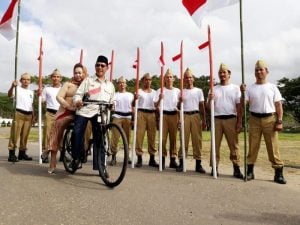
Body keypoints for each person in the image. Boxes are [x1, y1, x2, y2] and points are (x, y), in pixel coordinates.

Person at [241, 60, 286, 184]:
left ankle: (278, 173)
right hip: (254, 119)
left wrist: (280, 121)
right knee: (253, 146)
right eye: (256, 70)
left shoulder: (272, 87)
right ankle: (250, 171)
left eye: (261, 69)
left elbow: (278, 105)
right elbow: (243, 104)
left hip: (270, 119)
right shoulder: (250, 88)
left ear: (267, 71)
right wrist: (242, 93)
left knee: (273, 146)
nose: (259, 72)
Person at [72, 55, 115, 171]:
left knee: (100, 138)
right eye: (97, 65)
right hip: (85, 110)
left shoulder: (110, 85)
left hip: (100, 113)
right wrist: (78, 101)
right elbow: (77, 94)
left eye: (102, 65)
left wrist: (112, 105)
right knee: (77, 132)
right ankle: (76, 157)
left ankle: (100, 167)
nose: (100, 67)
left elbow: (112, 101)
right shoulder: (88, 80)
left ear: (107, 68)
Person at [47, 63, 86, 174]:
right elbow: (58, 96)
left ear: (83, 73)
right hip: (66, 112)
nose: (78, 75)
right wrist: (67, 105)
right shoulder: (68, 84)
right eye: (76, 73)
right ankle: (52, 162)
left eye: (80, 72)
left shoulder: (87, 84)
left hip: (81, 114)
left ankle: (82, 153)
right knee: (58, 127)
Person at [207, 63, 243, 179]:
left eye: (224, 72)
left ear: (229, 74)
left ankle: (236, 168)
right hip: (217, 119)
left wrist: (239, 121)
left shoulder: (235, 88)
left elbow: (239, 106)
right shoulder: (213, 89)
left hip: (231, 119)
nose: (222, 74)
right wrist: (210, 99)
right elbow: (208, 108)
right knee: (215, 145)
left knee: (234, 145)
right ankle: (214, 167)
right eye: (220, 73)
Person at [176, 68, 207, 173]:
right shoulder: (181, 91)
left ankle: (198, 164)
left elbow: (202, 106)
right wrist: (180, 102)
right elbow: (178, 107)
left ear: (193, 79)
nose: (188, 79)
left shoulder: (199, 91)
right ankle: (181, 163)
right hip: (184, 115)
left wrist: (204, 120)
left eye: (190, 77)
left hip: (195, 115)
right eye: (186, 77)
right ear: (184, 79)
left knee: (197, 140)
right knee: (183, 140)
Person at [154, 69, 180, 169]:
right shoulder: (160, 90)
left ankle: (173, 160)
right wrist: (160, 98)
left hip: (174, 115)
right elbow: (155, 105)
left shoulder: (177, 91)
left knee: (173, 138)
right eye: (167, 77)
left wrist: (179, 118)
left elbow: (179, 106)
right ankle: (162, 159)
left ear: (173, 79)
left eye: (170, 77)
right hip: (163, 115)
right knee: (163, 139)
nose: (169, 78)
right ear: (164, 79)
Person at [7, 73, 34, 162]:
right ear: (21, 80)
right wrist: (12, 86)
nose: (26, 81)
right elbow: (9, 95)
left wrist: (33, 115)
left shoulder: (31, 92)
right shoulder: (16, 88)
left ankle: (22, 153)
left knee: (25, 135)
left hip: (29, 115)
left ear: (30, 81)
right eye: (24, 79)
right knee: (15, 134)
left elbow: (31, 104)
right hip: (19, 113)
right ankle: (11, 153)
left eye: (28, 79)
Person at [134, 73, 159, 168]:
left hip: (152, 114)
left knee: (152, 136)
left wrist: (160, 99)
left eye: (150, 80)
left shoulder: (155, 92)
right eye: (146, 80)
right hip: (141, 113)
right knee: (139, 136)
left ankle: (152, 158)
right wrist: (135, 97)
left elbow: (156, 105)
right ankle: (139, 157)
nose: (148, 81)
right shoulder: (139, 91)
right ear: (143, 81)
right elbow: (133, 103)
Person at [110, 76, 134, 165]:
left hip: (128, 117)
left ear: (126, 84)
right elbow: (112, 106)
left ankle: (126, 157)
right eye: (120, 83)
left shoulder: (130, 95)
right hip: (117, 116)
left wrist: (133, 118)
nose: (122, 84)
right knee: (115, 137)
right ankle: (113, 156)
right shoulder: (115, 95)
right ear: (117, 84)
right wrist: (112, 106)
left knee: (127, 138)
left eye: (123, 82)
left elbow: (133, 107)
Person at [40, 69, 62, 163]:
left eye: (57, 76)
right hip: (50, 113)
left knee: (61, 134)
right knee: (47, 134)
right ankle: (45, 154)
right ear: (51, 78)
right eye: (54, 76)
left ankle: (63, 154)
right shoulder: (47, 89)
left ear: (60, 78)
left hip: (61, 113)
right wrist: (40, 96)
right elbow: (43, 100)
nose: (55, 78)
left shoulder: (63, 88)